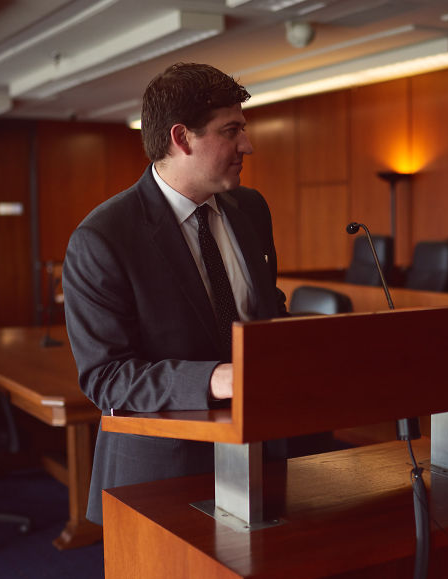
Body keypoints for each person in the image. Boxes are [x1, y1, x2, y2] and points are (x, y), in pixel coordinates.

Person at [63, 63, 288, 525]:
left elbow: (268, 314)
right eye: (232, 131)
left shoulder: (252, 208)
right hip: (162, 476)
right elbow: (106, 377)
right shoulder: (102, 237)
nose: (248, 145)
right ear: (182, 139)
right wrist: (216, 378)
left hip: (264, 454)